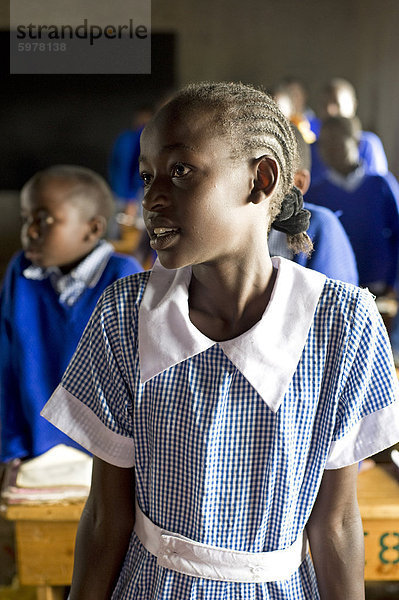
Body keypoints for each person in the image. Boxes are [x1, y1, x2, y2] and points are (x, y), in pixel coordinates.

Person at [41, 83, 399, 599]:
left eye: (180, 170)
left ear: (261, 179)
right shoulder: (126, 313)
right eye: (147, 177)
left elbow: (336, 524)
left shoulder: (341, 322)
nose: (152, 197)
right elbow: (105, 517)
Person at [0, 165, 142, 463]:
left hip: (105, 462)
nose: (30, 232)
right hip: (32, 457)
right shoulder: (22, 273)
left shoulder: (124, 277)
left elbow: (136, 387)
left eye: (44, 220)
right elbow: (5, 367)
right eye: (26, 220)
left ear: (92, 229)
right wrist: (11, 451)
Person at [305, 116, 399, 297]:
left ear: (356, 142)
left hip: (379, 286)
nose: (330, 150)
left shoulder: (381, 185)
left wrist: (393, 283)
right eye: (324, 144)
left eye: (338, 142)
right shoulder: (314, 194)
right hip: (333, 289)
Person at [269, 125, 358, 284]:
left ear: (298, 182)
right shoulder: (241, 227)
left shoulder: (321, 226)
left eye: (267, 175)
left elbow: (334, 304)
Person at [311, 78, 388, 185]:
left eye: (336, 104)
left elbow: (377, 187)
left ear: (353, 106)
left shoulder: (367, 144)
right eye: (324, 105)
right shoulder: (312, 149)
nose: (330, 110)